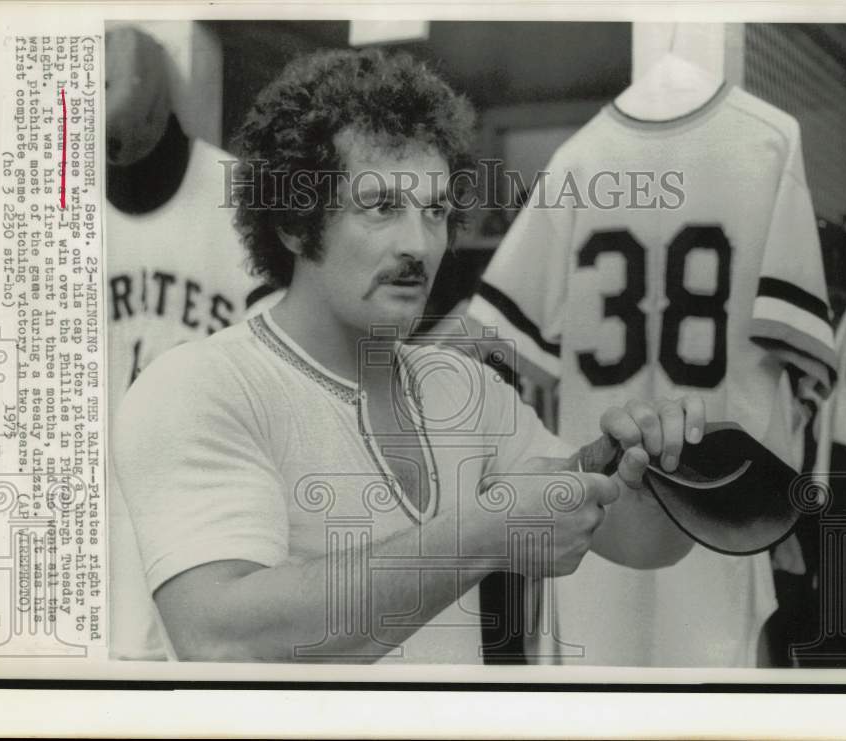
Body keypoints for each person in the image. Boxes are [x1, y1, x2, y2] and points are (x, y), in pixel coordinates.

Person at [113, 48, 704, 664]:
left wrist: (652, 475)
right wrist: (479, 535)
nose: (418, 245)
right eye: (381, 206)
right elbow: (221, 637)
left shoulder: (465, 389)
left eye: (436, 211)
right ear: (293, 219)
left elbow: (637, 543)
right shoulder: (197, 386)